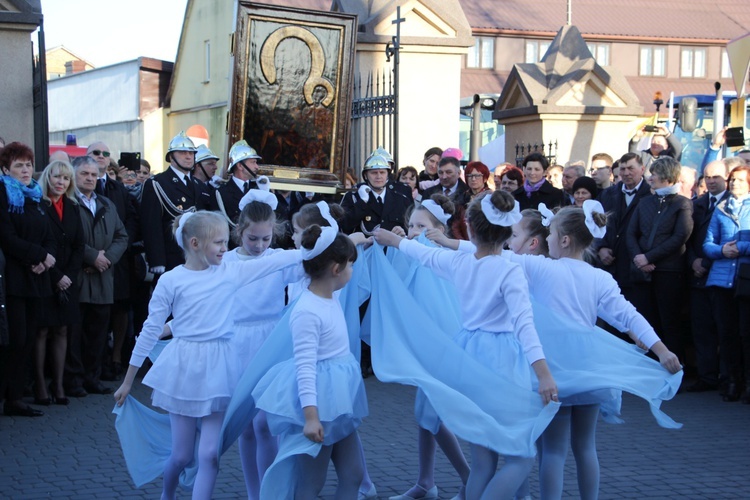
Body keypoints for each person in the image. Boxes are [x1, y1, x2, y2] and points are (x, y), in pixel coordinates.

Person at [374, 190, 559, 499]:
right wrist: (543, 374)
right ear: (508, 232)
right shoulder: (510, 270)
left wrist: (393, 240)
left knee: (483, 462)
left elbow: (424, 253)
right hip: (502, 362)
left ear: (470, 228)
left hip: (470, 357)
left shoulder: (460, 264)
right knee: (521, 455)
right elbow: (525, 326)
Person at [114, 210, 303, 499]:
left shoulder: (230, 271)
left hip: (220, 369)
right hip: (185, 369)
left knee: (211, 454)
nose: (225, 249)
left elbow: (280, 260)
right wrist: (128, 381)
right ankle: (168, 494)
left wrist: (324, 242)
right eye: (218, 243)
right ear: (194, 243)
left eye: (226, 242)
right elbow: (150, 329)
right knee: (181, 456)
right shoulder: (171, 280)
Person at [506, 201, 681, 499]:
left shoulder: (540, 267)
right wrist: (661, 350)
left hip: (555, 372)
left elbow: (488, 257)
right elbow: (628, 315)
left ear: (564, 239)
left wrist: (443, 242)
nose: (546, 240)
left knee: (553, 451)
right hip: (590, 369)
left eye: (550, 234)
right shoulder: (600, 277)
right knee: (586, 446)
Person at [252, 225, 367, 498]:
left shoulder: (329, 297)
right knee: (310, 484)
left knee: (353, 475)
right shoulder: (308, 310)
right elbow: (305, 368)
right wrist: (311, 417)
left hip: (337, 404)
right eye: (350, 265)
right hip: (320, 405)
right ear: (336, 270)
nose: (352, 271)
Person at [387, 194, 471, 500]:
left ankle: (469, 477)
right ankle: (426, 482)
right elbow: (398, 280)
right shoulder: (417, 252)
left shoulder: (439, 258)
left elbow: (439, 307)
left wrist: (403, 247)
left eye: (420, 226)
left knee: (430, 415)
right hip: (425, 349)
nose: (413, 231)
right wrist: (398, 245)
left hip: (442, 347)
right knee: (424, 416)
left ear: (437, 230)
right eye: (410, 225)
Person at [225, 188, 305, 500]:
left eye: (266, 239)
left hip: (271, 341)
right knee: (244, 426)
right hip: (237, 343)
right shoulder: (226, 262)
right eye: (253, 239)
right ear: (239, 232)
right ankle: (253, 492)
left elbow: (313, 263)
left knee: (265, 423)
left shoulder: (280, 259)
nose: (260, 246)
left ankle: (272, 492)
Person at [65, 156, 129, 397]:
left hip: (103, 280)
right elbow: (68, 237)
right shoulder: (68, 203)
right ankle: (74, 380)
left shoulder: (107, 204)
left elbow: (122, 236)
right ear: (74, 175)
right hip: (78, 279)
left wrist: (106, 259)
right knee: (75, 335)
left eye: (93, 175)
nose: (90, 178)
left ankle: (93, 377)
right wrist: (92, 257)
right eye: (84, 174)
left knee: (98, 334)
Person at [0, 142, 56, 417]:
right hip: (13, 278)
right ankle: (10, 397)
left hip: (36, 277)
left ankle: (17, 396)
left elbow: (47, 234)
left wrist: (45, 257)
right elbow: (7, 236)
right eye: (19, 165)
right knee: (16, 338)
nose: (25, 170)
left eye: (29, 165)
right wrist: (38, 255)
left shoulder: (35, 196)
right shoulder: (3, 193)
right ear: (6, 169)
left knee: (30, 337)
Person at [626, 157, 693, 362]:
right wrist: (639, 259)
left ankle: (675, 366)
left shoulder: (683, 204)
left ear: (666, 176)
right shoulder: (645, 201)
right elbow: (631, 233)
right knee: (645, 322)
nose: (650, 177)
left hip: (669, 272)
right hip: (642, 272)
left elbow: (680, 236)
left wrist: (648, 257)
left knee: (669, 322)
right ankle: (649, 367)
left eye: (654, 174)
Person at [35, 160, 84, 406]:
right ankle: (41, 386)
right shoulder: (38, 205)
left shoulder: (73, 207)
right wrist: (56, 276)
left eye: (65, 179)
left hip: (68, 279)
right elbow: (39, 244)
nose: (61, 182)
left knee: (62, 330)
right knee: (42, 330)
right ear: (48, 178)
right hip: (44, 277)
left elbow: (78, 246)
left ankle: (59, 383)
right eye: (56, 177)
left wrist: (69, 276)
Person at [702, 165, 750, 403]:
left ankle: (748, 383)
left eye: (741, 180)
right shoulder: (720, 209)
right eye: (733, 180)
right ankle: (733, 381)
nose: (735, 184)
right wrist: (722, 250)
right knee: (727, 334)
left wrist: (738, 248)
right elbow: (708, 244)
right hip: (721, 280)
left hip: (745, 279)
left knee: (746, 333)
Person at [140, 131, 213, 275]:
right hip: (171, 256)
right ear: (171, 157)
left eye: (191, 153)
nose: (188, 156)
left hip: (197, 256)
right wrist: (157, 260)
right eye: (182, 152)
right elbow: (151, 225)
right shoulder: (157, 183)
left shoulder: (199, 185)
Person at [685, 160, 730, 393]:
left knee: (724, 329)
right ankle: (707, 376)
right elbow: (689, 238)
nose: (711, 181)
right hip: (697, 275)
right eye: (707, 177)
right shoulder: (697, 204)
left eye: (716, 177)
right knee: (701, 329)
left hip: (721, 275)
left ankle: (726, 378)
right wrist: (693, 260)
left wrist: (707, 261)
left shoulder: (732, 204)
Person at [596, 153, 652, 305]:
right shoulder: (607, 194)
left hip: (637, 269)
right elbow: (595, 224)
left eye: (631, 168)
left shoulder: (651, 194)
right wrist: (600, 248)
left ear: (642, 169)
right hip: (611, 268)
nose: (626, 173)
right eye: (623, 169)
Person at [340, 154, 412, 235]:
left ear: (387, 175)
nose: (378, 176)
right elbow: (344, 226)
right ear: (365, 176)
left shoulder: (401, 200)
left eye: (382, 172)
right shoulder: (352, 197)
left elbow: (411, 229)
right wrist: (362, 202)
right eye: (374, 173)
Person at [215, 140, 261, 236]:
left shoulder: (259, 190)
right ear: (240, 166)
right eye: (253, 162)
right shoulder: (221, 193)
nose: (257, 167)